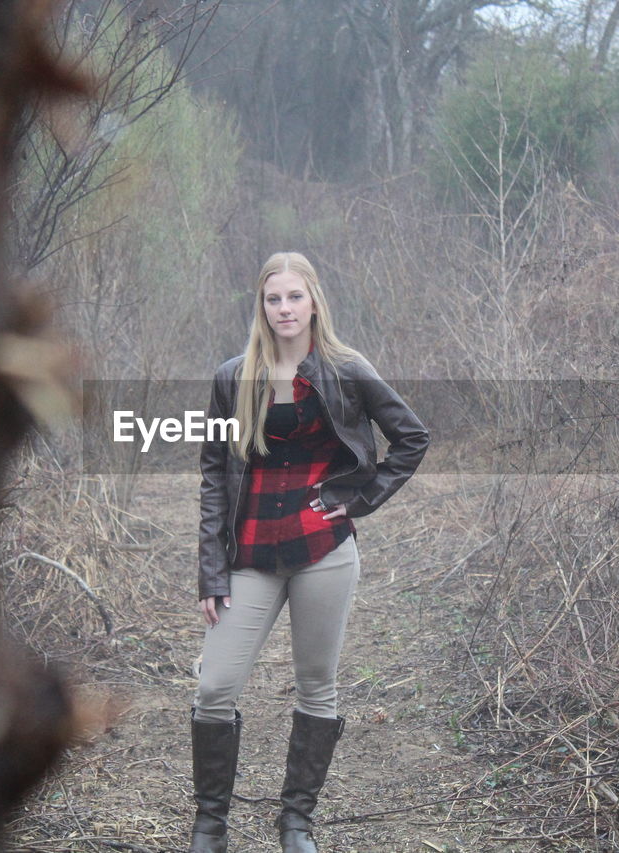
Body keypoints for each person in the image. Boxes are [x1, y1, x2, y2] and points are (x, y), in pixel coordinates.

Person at [189, 251, 429, 853]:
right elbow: (214, 474)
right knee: (215, 687)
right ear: (262, 306)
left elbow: (411, 436)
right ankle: (210, 826)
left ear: (314, 300)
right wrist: (211, 572)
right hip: (249, 554)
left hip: (323, 548)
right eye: (274, 299)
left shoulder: (347, 370)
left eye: (295, 297)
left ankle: (296, 823)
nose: (284, 308)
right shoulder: (232, 377)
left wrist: (361, 500)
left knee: (316, 684)